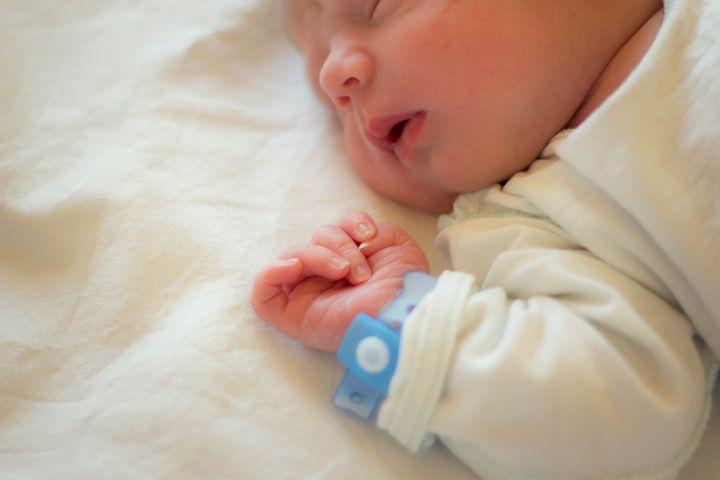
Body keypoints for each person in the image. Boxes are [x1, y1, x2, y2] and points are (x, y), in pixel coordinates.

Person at [252, 0, 720, 478]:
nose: (333, 77)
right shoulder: (533, 227)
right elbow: (618, 413)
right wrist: (402, 318)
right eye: (329, 103)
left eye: (377, 7)